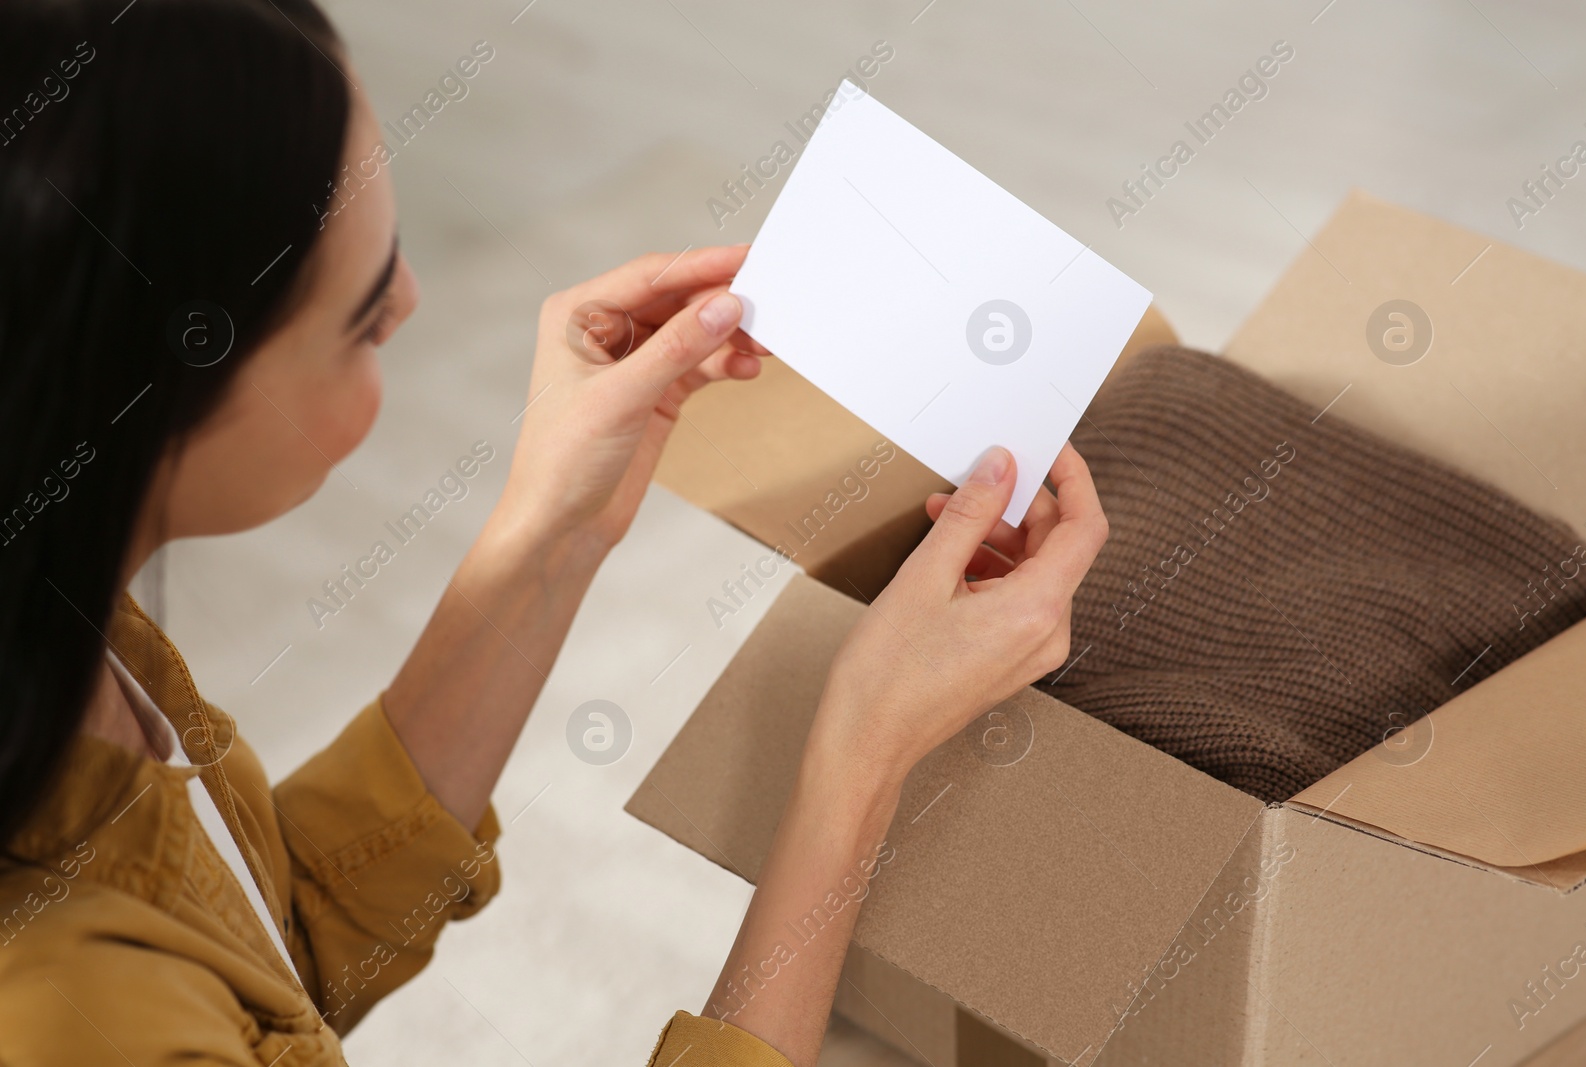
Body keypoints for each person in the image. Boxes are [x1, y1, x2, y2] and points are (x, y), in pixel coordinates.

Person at [0, 1, 1107, 1064]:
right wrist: (859, 756)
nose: (414, 306)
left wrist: (554, 525)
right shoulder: (70, 1011)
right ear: (131, 398)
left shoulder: (64, 622)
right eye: (361, 318)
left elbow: (262, 945)